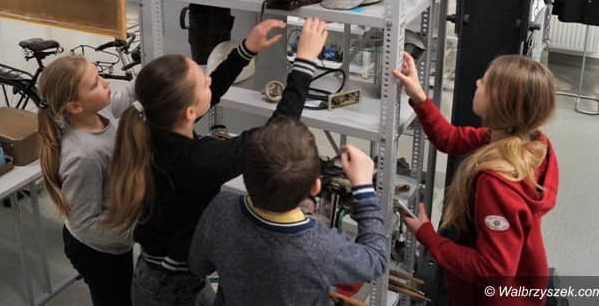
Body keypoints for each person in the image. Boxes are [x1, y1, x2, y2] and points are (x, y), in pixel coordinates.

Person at [104, 17, 329, 306]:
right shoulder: (197, 161)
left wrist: (246, 50)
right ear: (188, 112)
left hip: (158, 275)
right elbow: (277, 135)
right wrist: (304, 64)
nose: (209, 79)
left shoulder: (152, 127)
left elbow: (210, 91)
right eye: (202, 81)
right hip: (172, 292)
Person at [392, 52, 559, 305]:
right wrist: (419, 96)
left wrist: (429, 237)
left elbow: (493, 270)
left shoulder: (496, 183)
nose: (477, 82)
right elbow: (451, 139)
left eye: (485, 82)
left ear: (500, 102)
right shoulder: (528, 141)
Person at [188, 119, 387, 306]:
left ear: (245, 178)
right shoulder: (321, 247)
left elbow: (198, 265)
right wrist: (364, 189)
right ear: (316, 187)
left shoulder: (221, 208)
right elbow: (376, 259)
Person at [37, 55, 137, 306]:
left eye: (99, 76)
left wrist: (152, 76)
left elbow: (126, 96)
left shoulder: (99, 112)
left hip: (114, 241)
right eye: (95, 84)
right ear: (75, 106)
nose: (105, 83)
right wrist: (135, 232)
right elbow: (84, 223)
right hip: (98, 250)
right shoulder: (84, 156)